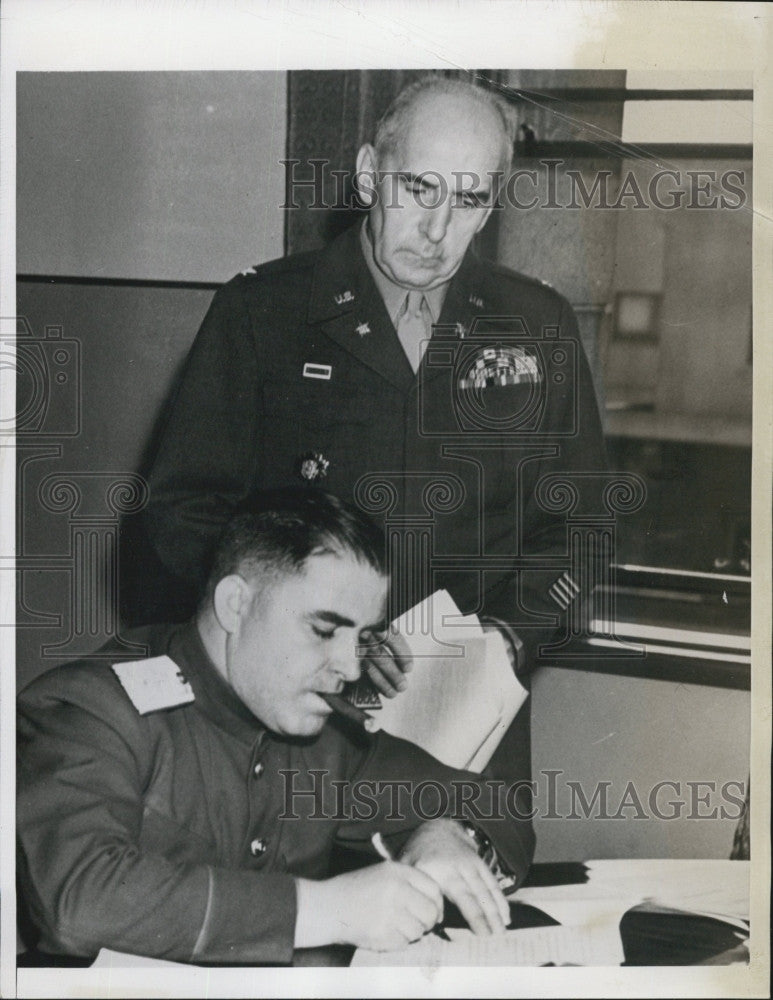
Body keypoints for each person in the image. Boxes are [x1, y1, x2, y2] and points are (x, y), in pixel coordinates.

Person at [142, 74, 607, 691]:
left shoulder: (535, 324)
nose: (437, 229)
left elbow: (581, 524)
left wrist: (505, 636)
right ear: (368, 175)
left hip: (464, 712)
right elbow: (182, 513)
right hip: (294, 700)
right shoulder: (263, 313)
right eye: (418, 187)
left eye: (468, 200)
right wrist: (314, 626)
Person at [18, 488, 534, 966]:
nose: (352, 668)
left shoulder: (325, 737)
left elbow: (495, 805)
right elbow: (79, 901)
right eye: (323, 630)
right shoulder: (92, 709)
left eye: (362, 637)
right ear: (236, 604)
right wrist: (327, 908)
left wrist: (446, 832)